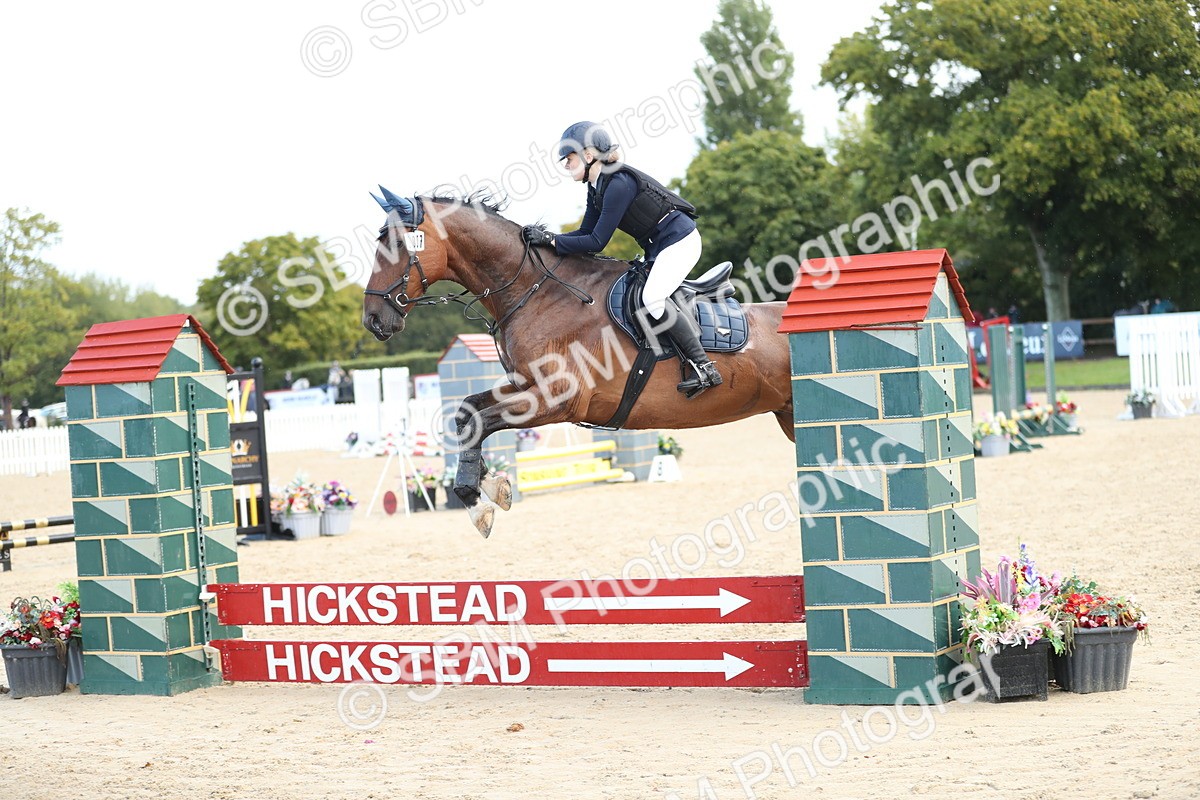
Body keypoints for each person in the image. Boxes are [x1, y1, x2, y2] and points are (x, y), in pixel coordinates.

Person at [521, 121, 722, 397]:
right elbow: (584, 233)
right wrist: (550, 240)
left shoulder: (618, 183)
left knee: (653, 298)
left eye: (569, 158)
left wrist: (552, 240)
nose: (566, 165)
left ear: (589, 156)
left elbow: (596, 242)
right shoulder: (596, 187)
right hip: (660, 246)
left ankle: (704, 367)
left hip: (681, 242)